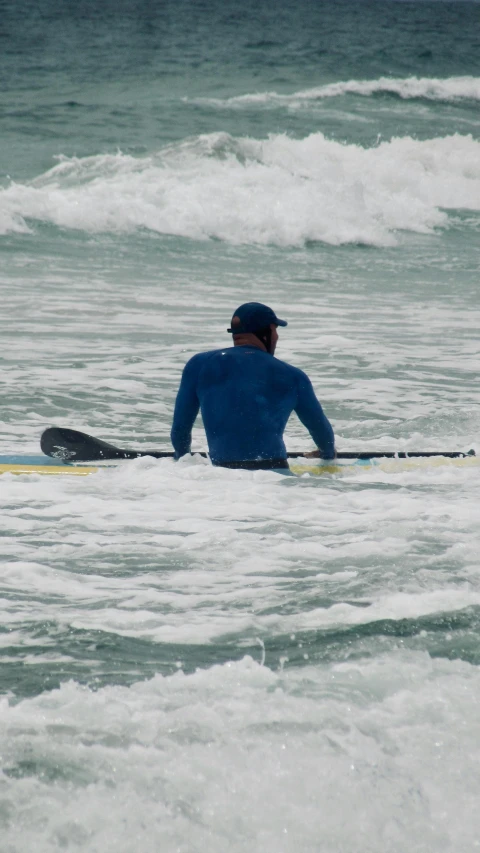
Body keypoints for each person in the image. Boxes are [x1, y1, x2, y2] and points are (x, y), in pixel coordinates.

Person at [171, 302, 335, 470]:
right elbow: (321, 430)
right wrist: (327, 454)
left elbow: (180, 430)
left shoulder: (198, 365)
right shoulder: (293, 375)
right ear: (266, 332)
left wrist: (183, 462)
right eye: (275, 330)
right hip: (274, 473)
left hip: (220, 476)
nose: (276, 337)